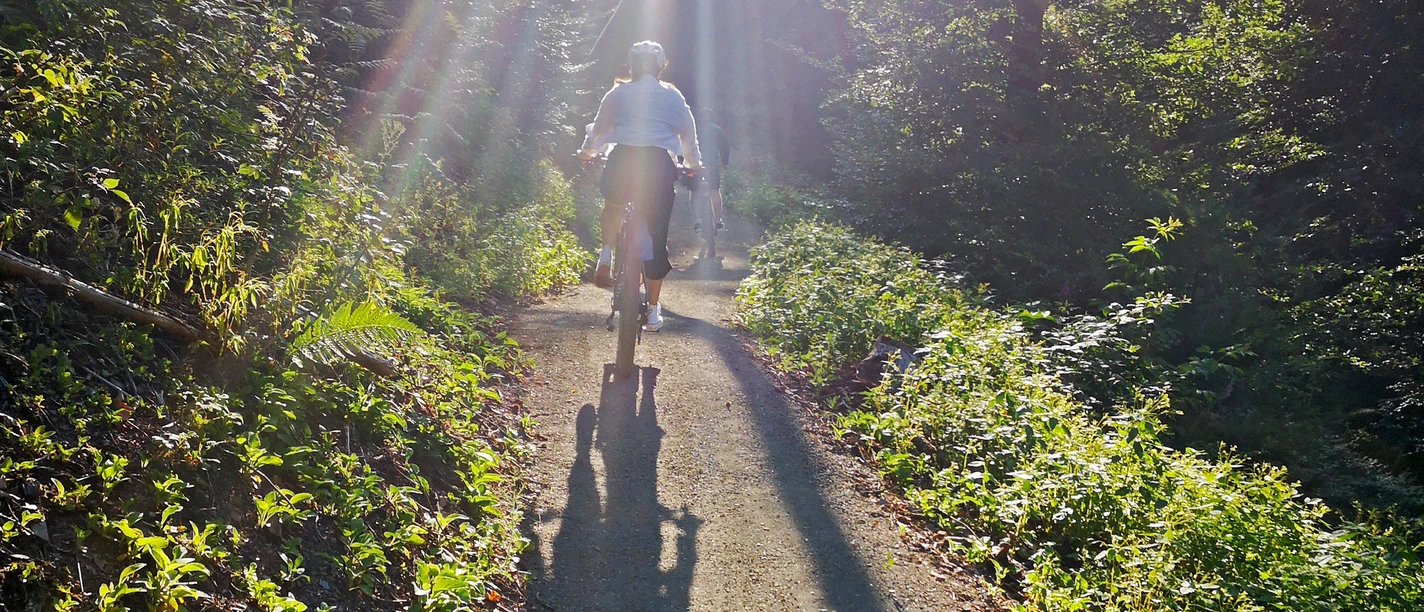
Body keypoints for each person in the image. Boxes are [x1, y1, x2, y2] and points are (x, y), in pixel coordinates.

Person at [580, 41, 702, 332]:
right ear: (661, 67)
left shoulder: (618, 92)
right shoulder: (673, 97)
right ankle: (654, 310)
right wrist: (693, 164)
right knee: (656, 236)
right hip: (658, 165)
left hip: (622, 159)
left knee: (613, 204)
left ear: (632, 65)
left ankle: (606, 255)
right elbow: (689, 134)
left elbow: (599, 129)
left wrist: (587, 153)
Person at [692, 108, 731, 231]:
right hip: (712, 163)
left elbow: (686, 143)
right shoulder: (717, 129)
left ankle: (698, 220)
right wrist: (725, 162)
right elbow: (725, 146)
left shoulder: (694, 129)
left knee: (695, 191)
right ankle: (718, 220)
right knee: (714, 190)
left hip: (695, 163)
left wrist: (683, 161)